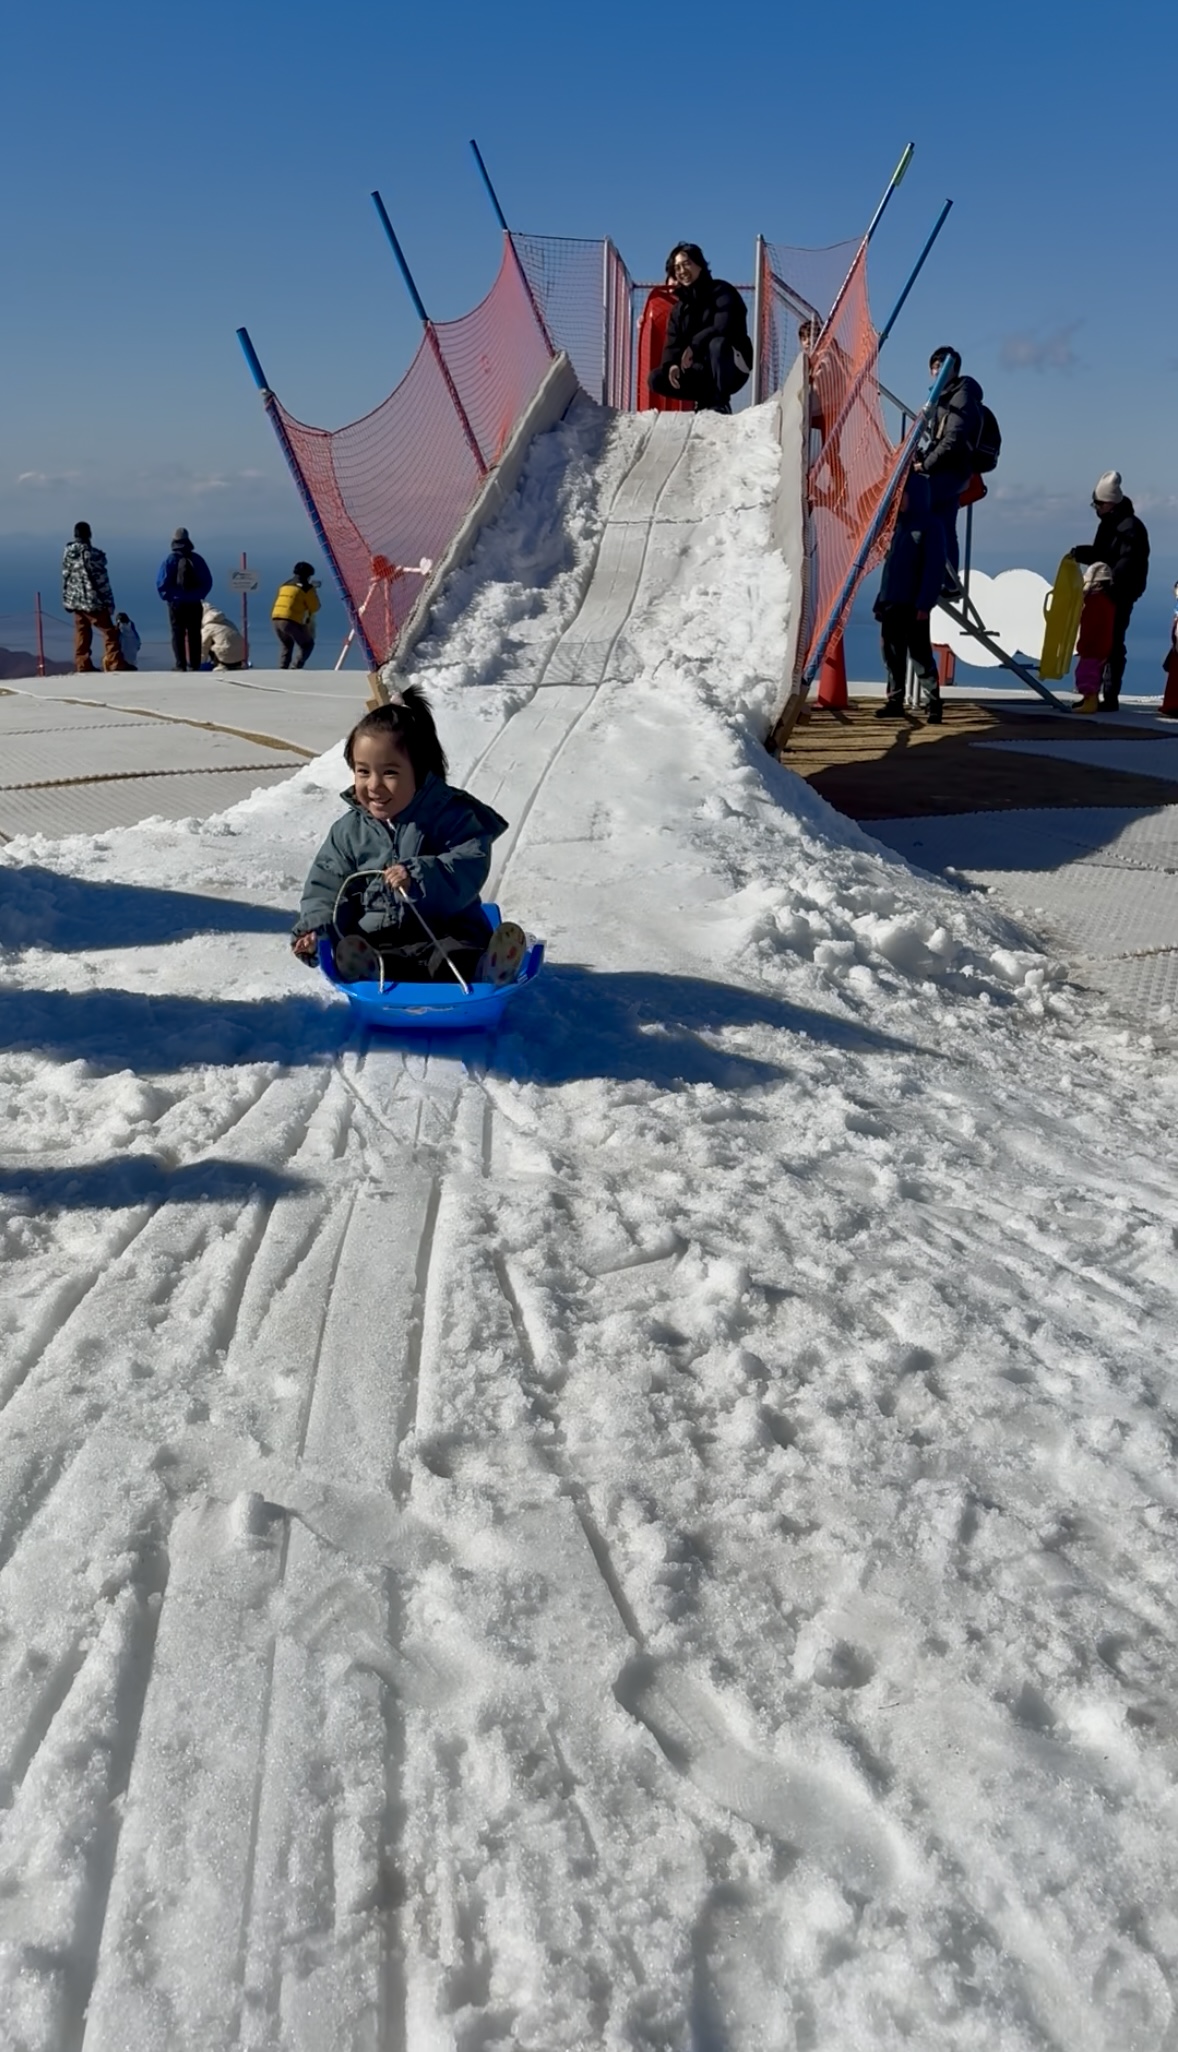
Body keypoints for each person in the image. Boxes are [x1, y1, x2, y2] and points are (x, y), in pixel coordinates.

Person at [291, 686, 525, 986]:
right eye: (363, 772)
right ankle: (367, 973)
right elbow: (326, 886)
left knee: (454, 955)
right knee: (374, 956)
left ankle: (484, 970)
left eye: (389, 772)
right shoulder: (349, 832)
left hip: (445, 929)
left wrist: (419, 875)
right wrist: (316, 930)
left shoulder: (449, 816)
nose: (373, 785)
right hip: (379, 937)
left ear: (419, 770)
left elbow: (469, 863)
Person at [1070, 472, 1150, 710]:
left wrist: (1111, 586)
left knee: (1112, 643)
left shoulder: (1130, 528)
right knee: (1104, 641)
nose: (1096, 508)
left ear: (1110, 503)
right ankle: (1096, 693)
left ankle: (1110, 695)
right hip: (1110, 591)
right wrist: (1079, 553)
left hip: (1120, 593)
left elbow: (1127, 562)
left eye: (1098, 503)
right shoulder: (1111, 524)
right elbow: (1102, 554)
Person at [872, 471, 947, 722]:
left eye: (901, 494)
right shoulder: (898, 526)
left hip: (914, 604)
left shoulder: (930, 526)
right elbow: (890, 568)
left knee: (920, 654)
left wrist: (925, 603)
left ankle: (934, 702)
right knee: (891, 653)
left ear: (914, 495)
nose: (898, 500)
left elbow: (933, 568)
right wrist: (880, 599)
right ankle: (895, 700)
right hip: (892, 601)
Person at [646, 244, 751, 415]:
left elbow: (723, 326)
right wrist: (672, 365)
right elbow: (673, 342)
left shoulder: (722, 291)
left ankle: (720, 401)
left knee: (717, 344)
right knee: (656, 379)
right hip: (700, 371)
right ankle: (704, 398)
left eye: (686, 264)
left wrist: (694, 345)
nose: (682, 270)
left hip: (732, 366)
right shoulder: (679, 309)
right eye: (677, 267)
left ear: (700, 264)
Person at [915, 346, 985, 587]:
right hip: (954, 470)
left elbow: (952, 439)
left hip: (953, 470)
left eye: (942, 365)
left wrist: (925, 464)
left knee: (917, 503)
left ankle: (928, 570)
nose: (937, 370)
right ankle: (949, 581)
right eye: (934, 365)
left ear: (953, 368)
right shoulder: (948, 394)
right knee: (945, 522)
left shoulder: (961, 396)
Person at [61, 521, 131, 674]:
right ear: (89, 535)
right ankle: (115, 662)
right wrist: (109, 601)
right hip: (93, 601)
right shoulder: (93, 555)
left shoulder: (68, 553)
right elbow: (101, 581)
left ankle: (82, 664)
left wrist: (66, 598)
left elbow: (65, 576)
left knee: (82, 632)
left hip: (75, 600)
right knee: (109, 632)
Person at [156, 527, 213, 671]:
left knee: (177, 633)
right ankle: (194, 664)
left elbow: (161, 583)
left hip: (176, 603)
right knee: (194, 634)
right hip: (194, 603)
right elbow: (207, 581)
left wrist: (170, 597)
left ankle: (180, 664)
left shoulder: (170, 559)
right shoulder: (197, 559)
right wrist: (198, 595)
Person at [1071, 562, 1116, 714]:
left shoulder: (1094, 602)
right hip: (1101, 646)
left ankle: (1090, 702)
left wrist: (1083, 645)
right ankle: (1091, 699)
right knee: (1093, 673)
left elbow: (1090, 627)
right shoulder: (1107, 602)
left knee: (1086, 674)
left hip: (1093, 647)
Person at [271, 561, 321, 669]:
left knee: (287, 645)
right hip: (290, 620)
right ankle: (296, 667)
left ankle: (282, 668)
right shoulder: (306, 588)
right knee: (307, 644)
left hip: (276, 618)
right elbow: (315, 607)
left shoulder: (285, 585)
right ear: (308, 575)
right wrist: (314, 592)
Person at [200, 602, 246, 669]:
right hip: (242, 655)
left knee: (208, 641)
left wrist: (199, 663)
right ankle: (235, 664)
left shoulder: (208, 627)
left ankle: (220, 664)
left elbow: (203, 646)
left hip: (225, 657)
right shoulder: (228, 622)